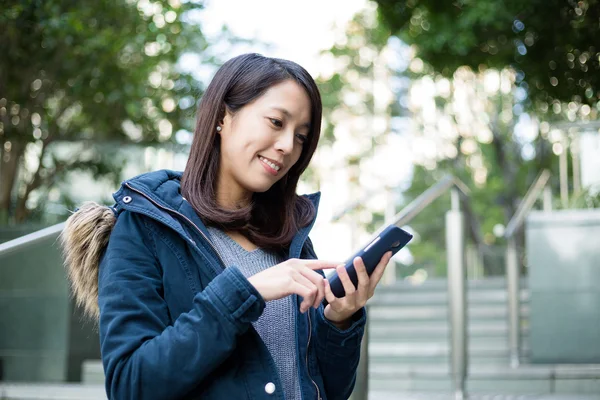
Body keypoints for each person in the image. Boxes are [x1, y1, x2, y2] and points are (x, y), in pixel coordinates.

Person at [60, 53, 392, 400]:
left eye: (301, 137)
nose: (287, 146)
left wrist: (339, 321)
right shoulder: (145, 227)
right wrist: (244, 294)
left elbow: (329, 389)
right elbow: (131, 385)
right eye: (277, 122)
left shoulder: (290, 239)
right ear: (222, 116)